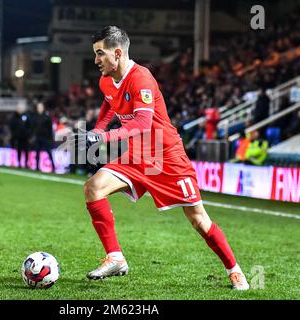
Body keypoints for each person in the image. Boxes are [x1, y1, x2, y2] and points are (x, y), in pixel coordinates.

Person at [80, 26, 249, 290]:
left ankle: (234, 270)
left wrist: (103, 138)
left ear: (117, 52)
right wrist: (98, 130)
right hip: (136, 155)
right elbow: (108, 103)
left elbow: (143, 123)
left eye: (100, 54)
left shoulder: (141, 78)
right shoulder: (106, 80)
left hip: (166, 155)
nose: (96, 60)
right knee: (93, 188)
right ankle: (115, 257)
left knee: (197, 218)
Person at [33, 102, 55, 173]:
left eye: (41, 107)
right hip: (38, 137)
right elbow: (33, 128)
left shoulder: (47, 117)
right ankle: (36, 167)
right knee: (37, 152)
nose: (39, 109)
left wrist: (51, 138)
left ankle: (53, 166)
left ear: (43, 108)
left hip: (45, 137)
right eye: (38, 107)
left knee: (49, 152)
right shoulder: (35, 117)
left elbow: (50, 129)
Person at [10, 102, 32, 168]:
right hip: (18, 137)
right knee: (19, 150)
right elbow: (12, 126)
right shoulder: (14, 116)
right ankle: (19, 163)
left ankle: (26, 163)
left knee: (26, 150)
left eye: (21, 108)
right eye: (18, 108)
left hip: (25, 137)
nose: (19, 109)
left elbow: (30, 126)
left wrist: (29, 134)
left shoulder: (27, 116)